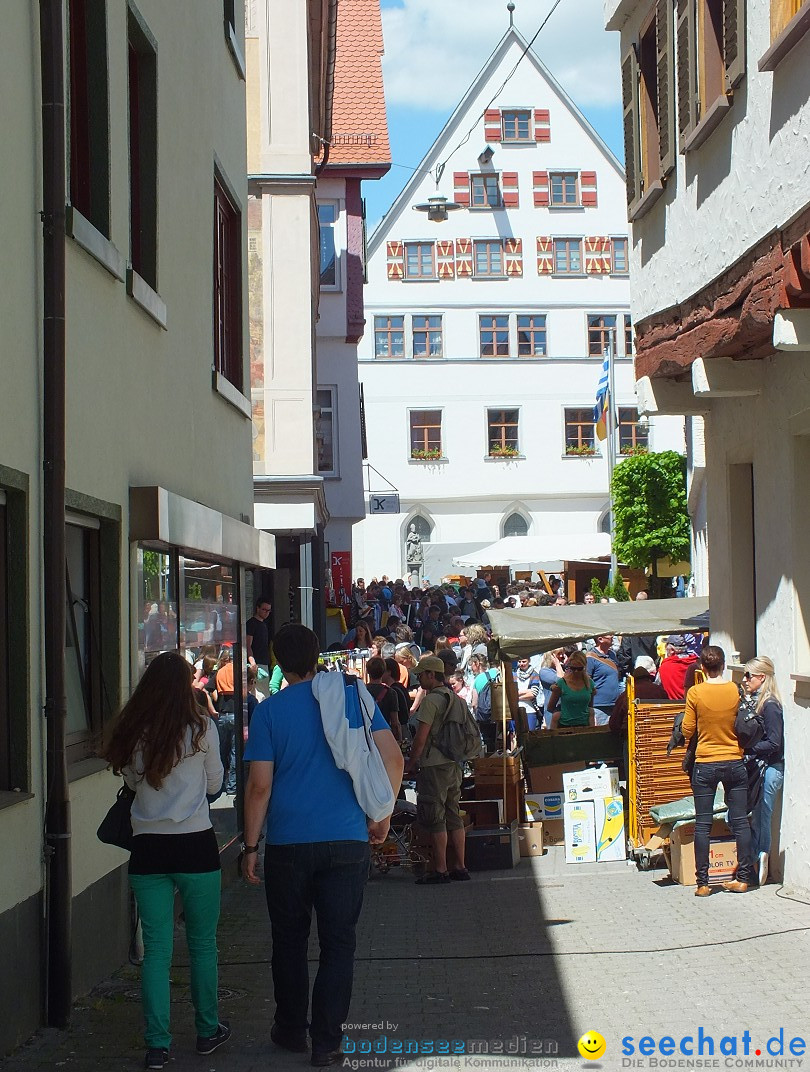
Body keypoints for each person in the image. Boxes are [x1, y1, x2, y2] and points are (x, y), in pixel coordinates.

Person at [242, 624, 403, 1065]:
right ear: (317, 657)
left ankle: (292, 1029)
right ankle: (327, 1042)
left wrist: (250, 847)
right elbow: (394, 757)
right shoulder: (353, 697)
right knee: (339, 943)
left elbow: (259, 787)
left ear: (276, 659)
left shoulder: (269, 712)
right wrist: (382, 815)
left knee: (289, 941)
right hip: (346, 839)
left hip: (288, 844)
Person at [103, 652, 230, 1069]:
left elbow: (133, 782)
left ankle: (157, 1045)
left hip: (148, 848)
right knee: (202, 945)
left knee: (156, 950)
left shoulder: (134, 732)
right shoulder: (202, 728)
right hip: (195, 844)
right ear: (185, 687)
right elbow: (215, 784)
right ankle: (207, 1030)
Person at [681, 645, 754, 896]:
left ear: (702, 667)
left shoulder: (695, 693)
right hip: (734, 760)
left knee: (703, 824)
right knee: (741, 821)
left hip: (706, 762)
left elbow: (687, 730)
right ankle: (743, 878)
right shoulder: (735, 690)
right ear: (723, 665)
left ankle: (703, 883)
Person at [404, 656, 469, 884]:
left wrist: (410, 764)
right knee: (454, 813)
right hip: (454, 764)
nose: (419, 678)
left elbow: (420, 739)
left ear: (432, 675)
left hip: (433, 765)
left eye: (421, 674)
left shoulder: (431, 701)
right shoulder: (457, 699)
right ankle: (460, 867)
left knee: (435, 817)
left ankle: (440, 870)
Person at [742, 656, 785, 886]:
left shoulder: (770, 706)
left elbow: (774, 742)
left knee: (762, 814)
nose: (745, 680)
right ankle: (757, 856)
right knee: (752, 815)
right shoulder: (760, 702)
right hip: (762, 767)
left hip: (771, 768)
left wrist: (748, 749)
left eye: (749, 675)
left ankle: (761, 856)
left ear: (762, 677)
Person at [548, 651, 595, 728]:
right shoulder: (562, 683)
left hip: (584, 725)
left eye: (579, 668)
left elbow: (590, 706)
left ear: (584, 667)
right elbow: (550, 707)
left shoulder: (589, 683)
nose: (576, 671)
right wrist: (559, 713)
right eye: (573, 668)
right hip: (564, 725)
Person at [366, 656, 402, 744]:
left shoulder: (361, 690)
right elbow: (395, 722)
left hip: (365, 736)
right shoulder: (391, 693)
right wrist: (399, 741)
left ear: (367, 672)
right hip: (383, 735)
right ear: (383, 672)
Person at [586, 636, 620, 726]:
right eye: (609, 635)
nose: (612, 637)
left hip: (614, 704)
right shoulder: (590, 657)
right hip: (599, 706)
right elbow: (587, 680)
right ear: (600, 639)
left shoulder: (612, 655)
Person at [658, 635, 699, 700]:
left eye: (666, 646)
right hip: (695, 704)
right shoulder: (698, 664)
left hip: (673, 706)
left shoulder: (665, 667)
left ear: (671, 650)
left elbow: (657, 686)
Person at [513, 657, 541, 731]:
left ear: (529, 661)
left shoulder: (534, 674)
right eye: (519, 662)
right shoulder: (514, 674)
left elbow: (533, 693)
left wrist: (517, 696)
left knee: (530, 734)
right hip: (516, 710)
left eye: (524, 661)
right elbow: (511, 692)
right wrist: (527, 691)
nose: (521, 664)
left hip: (530, 710)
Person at [246, 597, 272, 674]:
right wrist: (252, 662)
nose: (267, 613)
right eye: (264, 610)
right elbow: (247, 645)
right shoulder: (251, 624)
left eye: (269, 610)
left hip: (264, 662)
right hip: (256, 663)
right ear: (258, 608)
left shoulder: (264, 624)